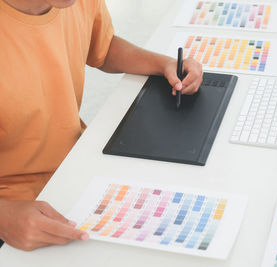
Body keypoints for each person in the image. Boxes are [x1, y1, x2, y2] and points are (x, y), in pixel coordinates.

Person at [0, 0, 203, 251]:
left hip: (77, 167)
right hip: (14, 207)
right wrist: (4, 216)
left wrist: (163, 64)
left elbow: (103, 48)